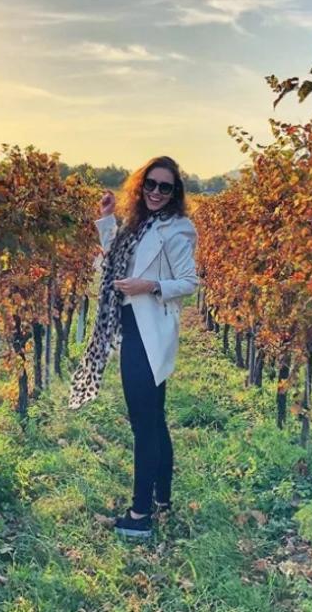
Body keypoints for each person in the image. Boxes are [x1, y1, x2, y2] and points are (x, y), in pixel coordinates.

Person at [68, 155, 200, 539]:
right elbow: (116, 258)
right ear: (141, 185)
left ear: (175, 192)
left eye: (165, 187)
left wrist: (150, 286)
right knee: (154, 418)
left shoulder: (178, 229)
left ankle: (140, 516)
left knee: (144, 423)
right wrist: (107, 218)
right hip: (129, 325)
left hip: (149, 331)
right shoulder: (137, 223)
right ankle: (162, 499)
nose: (156, 192)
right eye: (151, 184)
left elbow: (189, 282)